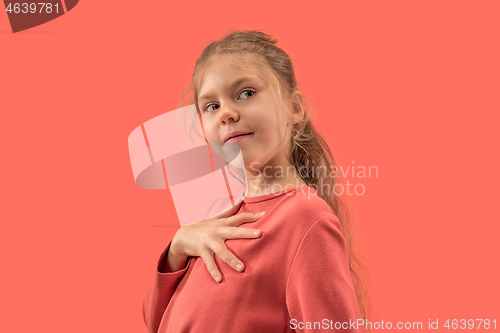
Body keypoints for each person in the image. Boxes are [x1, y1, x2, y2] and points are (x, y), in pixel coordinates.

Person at [142, 30, 371, 333]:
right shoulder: (218, 223)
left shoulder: (304, 218)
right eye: (211, 106)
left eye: (246, 93)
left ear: (295, 108)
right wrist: (176, 251)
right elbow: (155, 322)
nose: (227, 113)